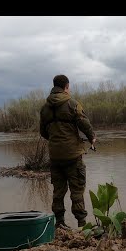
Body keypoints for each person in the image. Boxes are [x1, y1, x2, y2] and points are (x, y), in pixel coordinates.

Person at [39, 75, 96, 229]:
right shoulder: (72, 104)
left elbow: (43, 132)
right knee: (77, 188)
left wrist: (56, 139)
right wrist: (92, 138)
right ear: (66, 87)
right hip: (72, 155)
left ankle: (59, 222)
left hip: (55, 156)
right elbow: (84, 124)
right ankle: (82, 224)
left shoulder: (45, 108)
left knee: (58, 190)